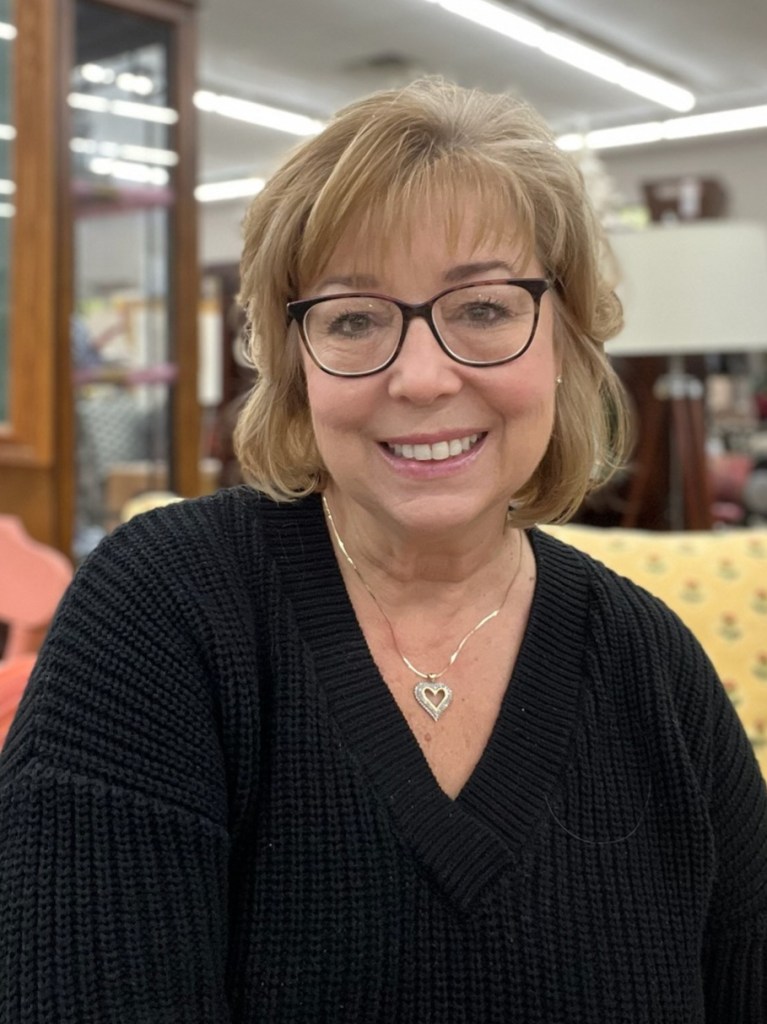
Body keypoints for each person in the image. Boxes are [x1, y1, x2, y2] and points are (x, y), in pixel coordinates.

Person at [1, 78, 766, 1024]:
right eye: (354, 319)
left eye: (482, 308)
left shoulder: (654, 668)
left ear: (563, 340)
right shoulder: (160, 613)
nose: (421, 377)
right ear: (296, 365)